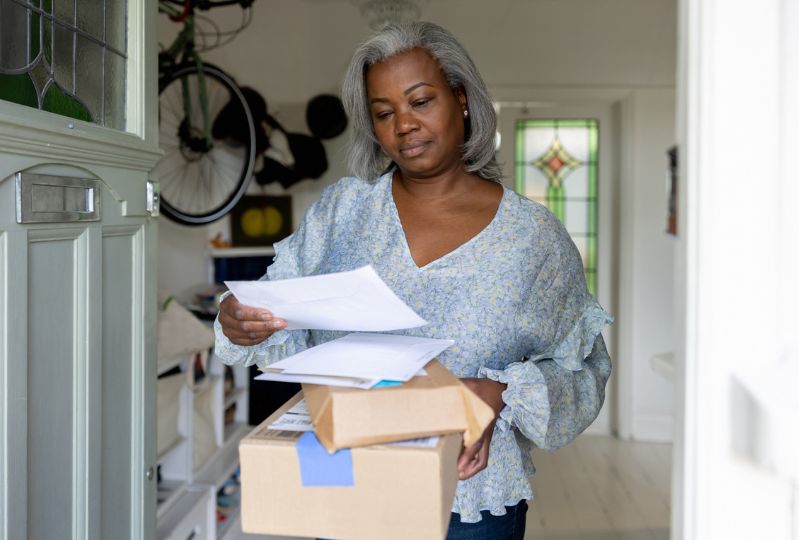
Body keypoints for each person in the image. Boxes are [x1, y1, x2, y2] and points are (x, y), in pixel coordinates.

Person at [214, 21, 612, 540]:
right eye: (384, 113)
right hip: (348, 482)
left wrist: (500, 391)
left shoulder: (532, 239)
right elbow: (273, 308)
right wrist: (241, 319)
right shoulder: (344, 212)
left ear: (461, 99)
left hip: (471, 499)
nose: (404, 125)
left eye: (421, 101)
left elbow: (584, 369)